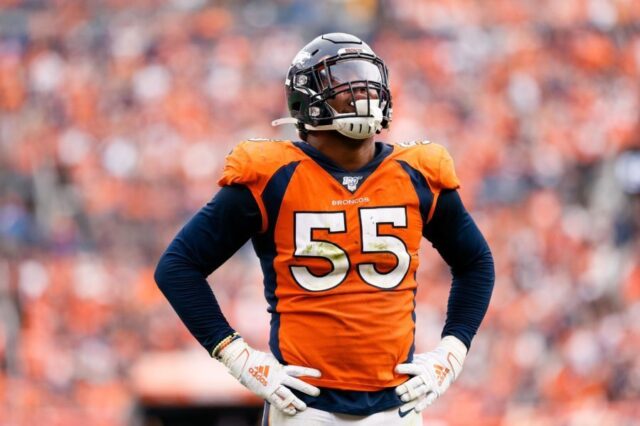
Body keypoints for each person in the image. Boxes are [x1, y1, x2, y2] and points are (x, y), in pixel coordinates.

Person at [155, 32, 495, 425]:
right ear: (307, 100)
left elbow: (476, 262)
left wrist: (454, 348)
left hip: (396, 407)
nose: (361, 91)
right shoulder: (273, 175)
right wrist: (237, 356)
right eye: (342, 81)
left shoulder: (417, 172)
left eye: (367, 78)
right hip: (304, 409)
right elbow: (177, 267)